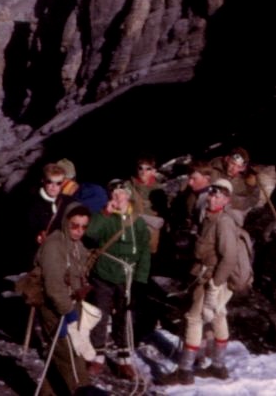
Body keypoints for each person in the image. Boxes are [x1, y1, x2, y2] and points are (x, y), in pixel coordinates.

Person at [156, 179, 241, 386]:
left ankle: (184, 371)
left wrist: (215, 283)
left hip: (211, 277)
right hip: (213, 276)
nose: (212, 198)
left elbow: (229, 257)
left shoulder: (223, 222)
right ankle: (218, 366)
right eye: (211, 194)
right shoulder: (211, 218)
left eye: (218, 196)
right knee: (219, 315)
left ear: (226, 199)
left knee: (193, 319)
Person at [84, 180, 151, 380]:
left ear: (128, 195)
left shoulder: (137, 222)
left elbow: (144, 252)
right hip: (103, 273)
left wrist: (141, 279)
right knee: (100, 314)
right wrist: (105, 213)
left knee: (125, 316)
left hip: (127, 278)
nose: (118, 197)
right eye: (114, 193)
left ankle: (124, 359)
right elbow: (90, 234)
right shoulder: (103, 216)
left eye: (121, 193)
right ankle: (97, 356)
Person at [35, 203, 94, 395]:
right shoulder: (55, 246)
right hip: (55, 308)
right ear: (65, 223)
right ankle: (83, 389)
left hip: (70, 304)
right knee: (70, 354)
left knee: (58, 352)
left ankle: (48, 392)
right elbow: (54, 286)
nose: (79, 231)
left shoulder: (76, 245)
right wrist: (67, 311)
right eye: (74, 226)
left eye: (84, 227)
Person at [125, 155, 167, 255]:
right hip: (131, 229)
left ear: (153, 171)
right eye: (141, 168)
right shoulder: (128, 185)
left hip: (151, 234)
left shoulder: (160, 190)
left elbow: (163, 213)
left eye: (148, 169)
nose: (143, 172)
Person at [209, 147, 259, 213]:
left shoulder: (240, 180)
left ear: (243, 168)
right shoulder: (214, 170)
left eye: (239, 167)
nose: (234, 169)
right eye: (232, 163)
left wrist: (252, 187)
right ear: (227, 159)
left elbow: (253, 201)